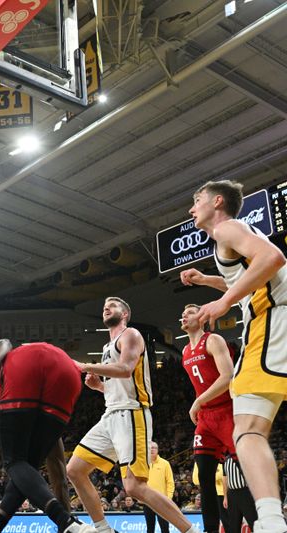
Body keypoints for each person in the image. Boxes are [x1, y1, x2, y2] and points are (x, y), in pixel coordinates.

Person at [181, 179, 287, 533]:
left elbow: (273, 260)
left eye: (197, 200)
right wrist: (210, 282)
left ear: (218, 201)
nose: (191, 208)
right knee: (247, 429)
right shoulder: (231, 238)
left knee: (248, 429)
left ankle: (271, 522)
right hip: (272, 315)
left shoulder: (228, 227)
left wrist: (223, 302)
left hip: (272, 319)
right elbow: (252, 278)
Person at [67, 297, 199, 533]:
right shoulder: (108, 346)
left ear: (125, 314)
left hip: (132, 414)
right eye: (105, 306)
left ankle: (190, 531)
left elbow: (126, 370)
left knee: (135, 487)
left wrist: (87, 367)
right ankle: (103, 529)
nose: (106, 308)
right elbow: (119, 387)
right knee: (74, 469)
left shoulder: (131, 335)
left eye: (113, 305)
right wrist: (99, 387)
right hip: (111, 414)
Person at [0, 339, 95, 533]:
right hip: (68, 372)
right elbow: (58, 473)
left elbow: (4, 342)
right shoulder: (37, 424)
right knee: (25, 472)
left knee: (13, 462)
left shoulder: (6, 366)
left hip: (28, 364)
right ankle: (69, 525)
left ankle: (65, 521)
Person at [179, 303, 235, 533]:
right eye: (182, 313)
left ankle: (255, 523)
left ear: (201, 318)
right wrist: (201, 403)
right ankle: (210, 529)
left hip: (227, 410)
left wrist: (199, 401)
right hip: (206, 418)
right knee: (204, 475)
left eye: (190, 312)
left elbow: (227, 376)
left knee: (242, 474)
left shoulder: (213, 340)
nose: (183, 315)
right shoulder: (184, 351)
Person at [143, 442, 175, 533]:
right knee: (150, 528)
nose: (152, 449)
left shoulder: (165, 463)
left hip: (162, 501)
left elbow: (170, 482)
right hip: (147, 501)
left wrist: (169, 498)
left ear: (157, 450)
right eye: (150, 448)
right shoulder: (143, 463)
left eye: (154, 448)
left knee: (165, 528)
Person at [223, 455, 257, 533]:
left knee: (253, 521)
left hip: (245, 492)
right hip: (231, 494)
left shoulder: (245, 457)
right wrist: (225, 497)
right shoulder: (226, 460)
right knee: (233, 525)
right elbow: (225, 479)